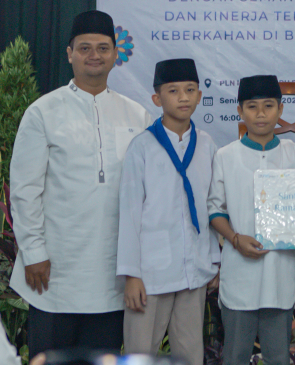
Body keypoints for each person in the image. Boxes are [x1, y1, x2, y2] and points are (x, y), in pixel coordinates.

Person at [9, 10, 151, 358]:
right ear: (69, 53)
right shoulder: (44, 112)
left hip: (111, 272)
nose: (94, 55)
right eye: (84, 48)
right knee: (52, 358)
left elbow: (148, 194)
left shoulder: (138, 116)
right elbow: (25, 190)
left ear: (115, 55)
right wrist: (34, 252)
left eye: (103, 48)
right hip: (55, 269)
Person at [116, 58, 219, 365]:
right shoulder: (142, 147)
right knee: (140, 352)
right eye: (173, 91)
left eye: (190, 90)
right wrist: (132, 275)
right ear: (157, 99)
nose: (183, 97)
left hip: (193, 270)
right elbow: (130, 214)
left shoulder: (207, 144)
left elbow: (210, 204)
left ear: (200, 96)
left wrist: (213, 258)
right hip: (150, 274)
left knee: (189, 352)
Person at [207, 75, 295, 365]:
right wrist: (235, 239)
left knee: (278, 356)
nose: (260, 114)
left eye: (268, 106)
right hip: (240, 272)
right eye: (252, 106)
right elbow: (216, 210)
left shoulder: (294, 154)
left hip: (280, 274)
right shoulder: (226, 156)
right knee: (235, 355)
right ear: (240, 111)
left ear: (281, 109)